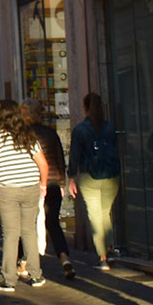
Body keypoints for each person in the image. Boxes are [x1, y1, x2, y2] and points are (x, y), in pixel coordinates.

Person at [0, 101, 50, 292]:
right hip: (30, 187)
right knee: (29, 230)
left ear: (2, 115)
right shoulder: (28, 135)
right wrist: (43, 184)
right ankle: (36, 274)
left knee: (10, 234)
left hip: (6, 189)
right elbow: (43, 163)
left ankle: (9, 279)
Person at [69, 93, 120, 270]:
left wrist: (71, 177)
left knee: (95, 215)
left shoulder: (80, 130)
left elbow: (74, 156)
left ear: (85, 108)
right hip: (111, 175)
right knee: (105, 213)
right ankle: (110, 248)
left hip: (89, 176)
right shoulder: (110, 127)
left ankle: (102, 256)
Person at [27, 101, 76, 280]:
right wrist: (62, 183)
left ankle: (27, 262)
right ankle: (64, 258)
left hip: (33, 183)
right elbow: (59, 159)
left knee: (28, 224)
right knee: (53, 223)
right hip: (53, 182)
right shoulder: (50, 133)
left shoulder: (24, 134)